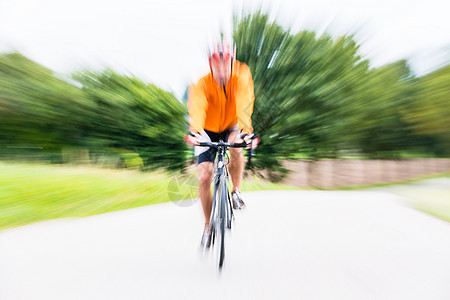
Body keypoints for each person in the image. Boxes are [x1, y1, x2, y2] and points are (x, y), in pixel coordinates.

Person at [184, 38, 255, 248]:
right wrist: (195, 131)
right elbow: (198, 106)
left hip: (233, 124)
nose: (222, 69)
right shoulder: (201, 81)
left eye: (226, 64)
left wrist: (245, 131)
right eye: (217, 64)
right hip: (206, 129)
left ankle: (236, 192)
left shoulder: (242, 74)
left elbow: (244, 101)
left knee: (236, 147)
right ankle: (208, 226)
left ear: (233, 63)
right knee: (205, 176)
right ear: (210, 64)